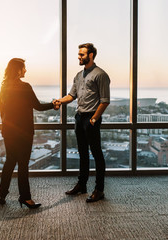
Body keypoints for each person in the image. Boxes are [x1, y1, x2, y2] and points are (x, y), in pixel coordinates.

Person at [0, 58, 59, 209]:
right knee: (23, 165)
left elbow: (2, 112)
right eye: (23, 68)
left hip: (9, 131)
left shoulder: (4, 87)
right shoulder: (24, 87)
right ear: (17, 70)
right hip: (23, 132)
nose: (25, 71)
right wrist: (53, 104)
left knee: (9, 162)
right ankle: (25, 198)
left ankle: (1, 195)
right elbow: (37, 106)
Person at [55, 43, 110, 203]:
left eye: (82, 55)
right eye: (79, 54)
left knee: (97, 154)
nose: (79, 57)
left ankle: (99, 190)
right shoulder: (78, 75)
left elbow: (105, 101)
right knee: (82, 153)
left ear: (91, 55)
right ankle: (82, 185)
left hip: (91, 118)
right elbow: (71, 96)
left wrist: (94, 118)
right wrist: (59, 101)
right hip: (79, 117)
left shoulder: (101, 75)